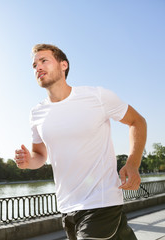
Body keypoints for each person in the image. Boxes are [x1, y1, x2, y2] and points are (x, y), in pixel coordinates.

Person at [14, 44, 147, 240]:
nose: (38, 67)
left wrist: (133, 163)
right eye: (34, 65)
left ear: (63, 65)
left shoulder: (96, 96)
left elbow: (137, 121)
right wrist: (28, 161)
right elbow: (40, 155)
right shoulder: (37, 113)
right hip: (68, 208)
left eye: (44, 61)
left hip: (101, 203)